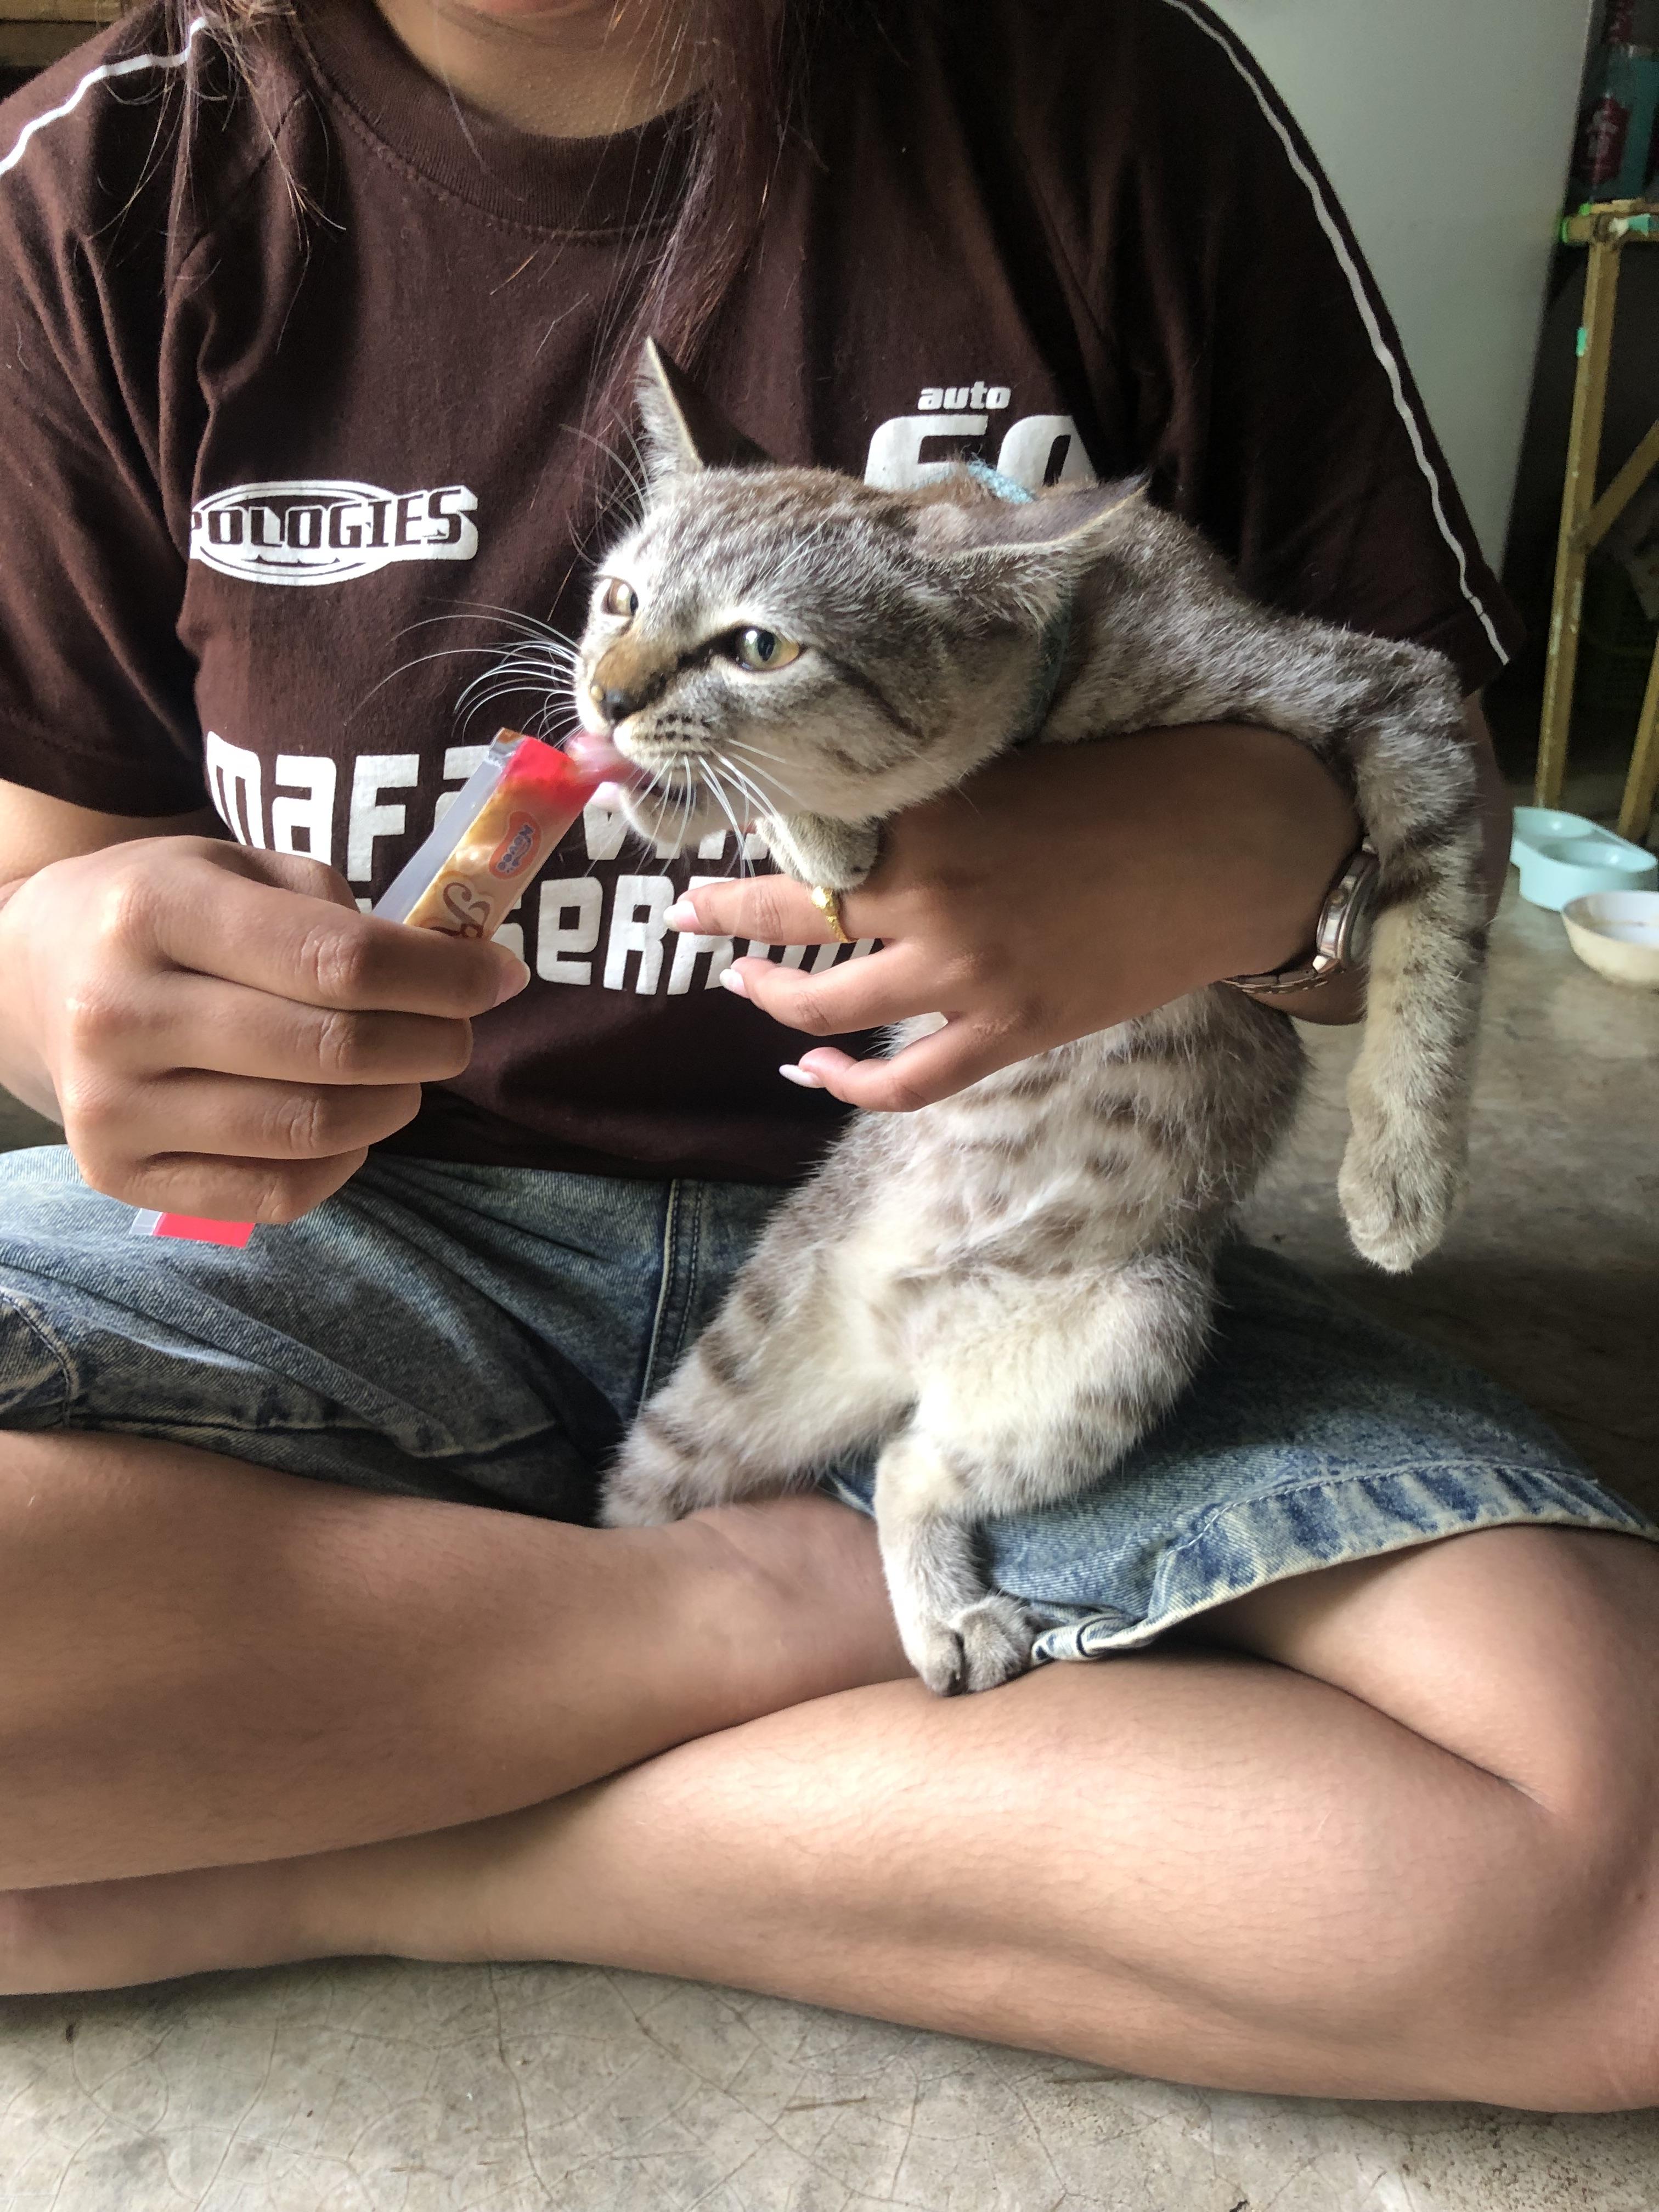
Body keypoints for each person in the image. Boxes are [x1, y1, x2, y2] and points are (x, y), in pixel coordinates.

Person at [0, 0, 1655, 2108]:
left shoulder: (1109, 95)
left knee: (1625, 1892)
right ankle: (755, 1632)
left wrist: (1251, 854)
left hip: (1003, 1237)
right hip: (369, 1232)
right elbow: (39, 869)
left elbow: (1428, 784)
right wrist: (57, 970)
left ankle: (367, 1844)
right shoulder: (107, 177)